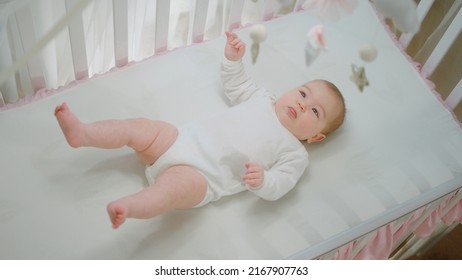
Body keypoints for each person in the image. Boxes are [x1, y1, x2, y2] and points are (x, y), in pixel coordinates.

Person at [54, 32, 346, 229]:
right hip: (176, 141)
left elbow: (282, 184)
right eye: (304, 94)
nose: (303, 105)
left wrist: (263, 180)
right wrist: (233, 58)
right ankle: (84, 133)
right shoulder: (262, 99)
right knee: (139, 127)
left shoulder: (295, 152)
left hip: (203, 178)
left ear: (315, 137)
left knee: (168, 192)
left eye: (315, 112)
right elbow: (236, 84)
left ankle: (129, 206)